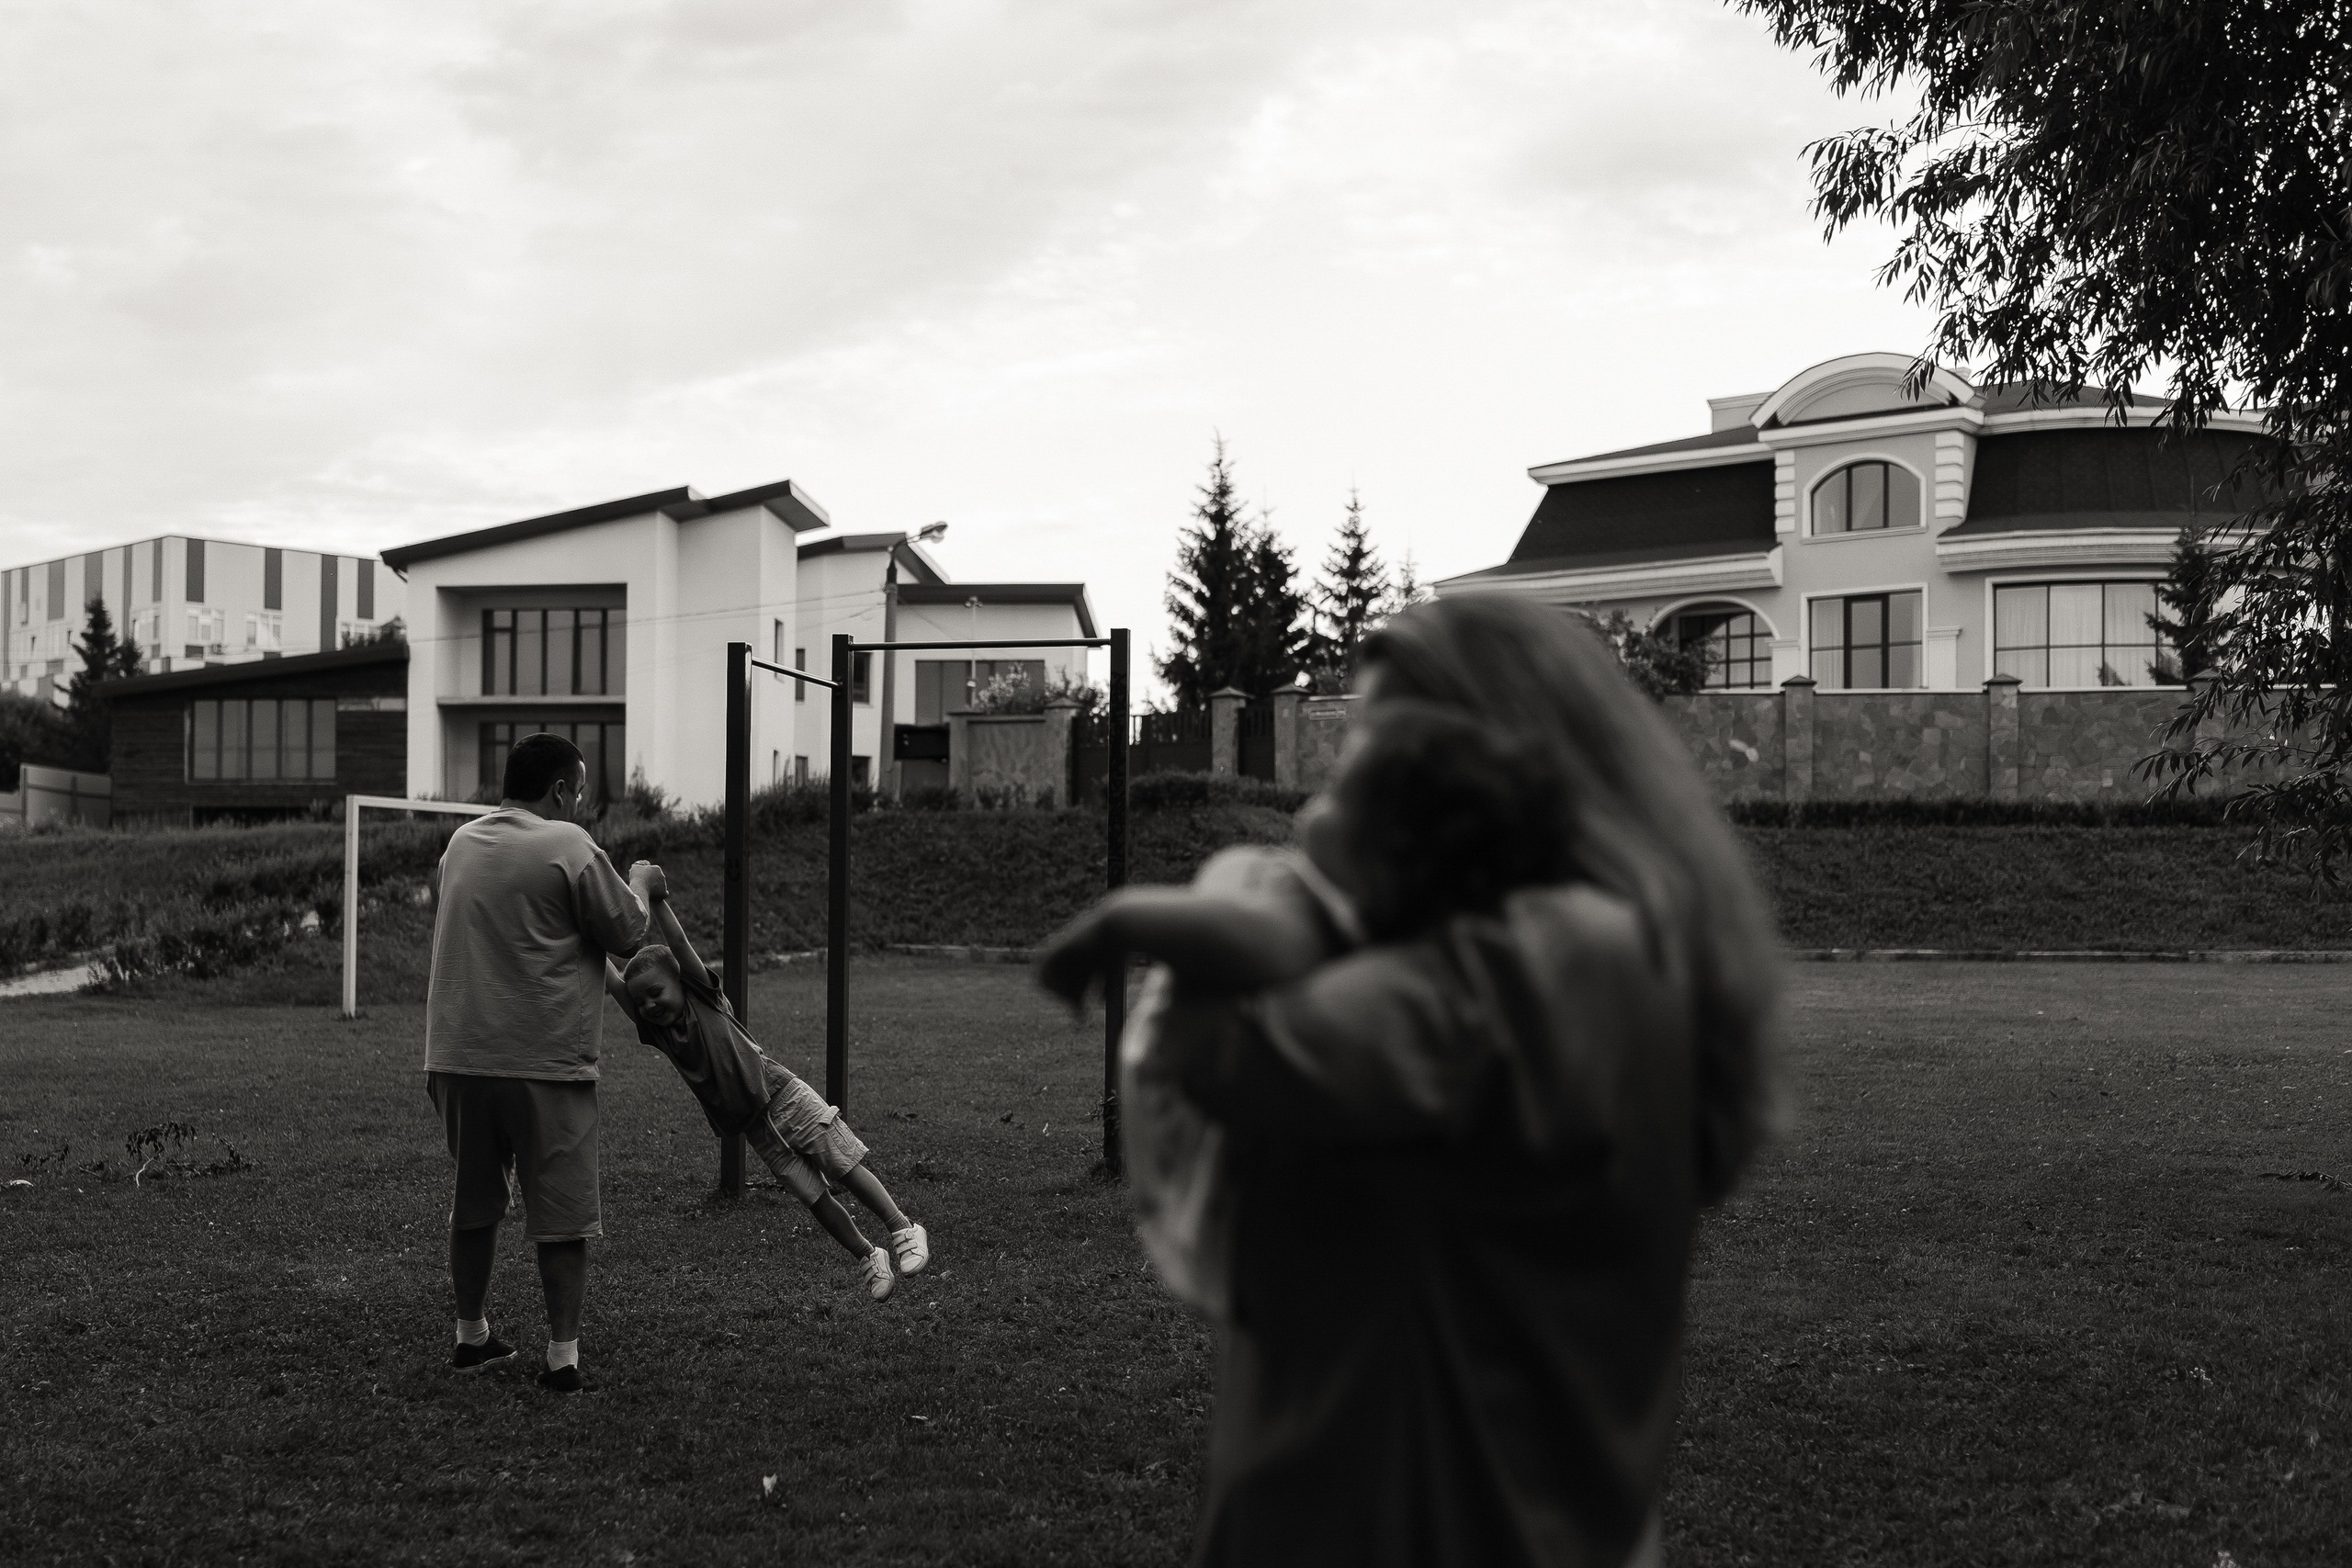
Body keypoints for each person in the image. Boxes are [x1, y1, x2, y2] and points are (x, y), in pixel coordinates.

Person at [1039, 596, 1786, 1568]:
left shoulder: (1531, 971)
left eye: (1379, 747)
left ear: (1496, 770)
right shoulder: (1603, 949)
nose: (1336, 792)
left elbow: (1213, 1049)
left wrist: (1262, 892)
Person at [424, 732, 655, 1394]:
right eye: (578, 793)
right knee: (562, 1212)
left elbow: (545, 936)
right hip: (545, 1061)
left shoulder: (461, 845)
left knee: (474, 1201)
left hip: (459, 1059)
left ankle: (471, 1335)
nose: (578, 805)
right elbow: (628, 929)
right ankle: (562, 1355)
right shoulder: (569, 844)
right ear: (560, 790)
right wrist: (639, 880)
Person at [603, 867, 929, 1301]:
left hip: (785, 1096)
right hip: (756, 1128)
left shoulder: (704, 997)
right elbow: (614, 985)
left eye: (656, 993)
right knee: (814, 1198)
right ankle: (868, 1255)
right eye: (641, 1000)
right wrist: (583, 937)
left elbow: (678, 945)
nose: (649, 1004)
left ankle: (902, 1228)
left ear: (680, 981)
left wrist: (658, 899)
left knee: (842, 1167)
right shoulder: (657, 1033)